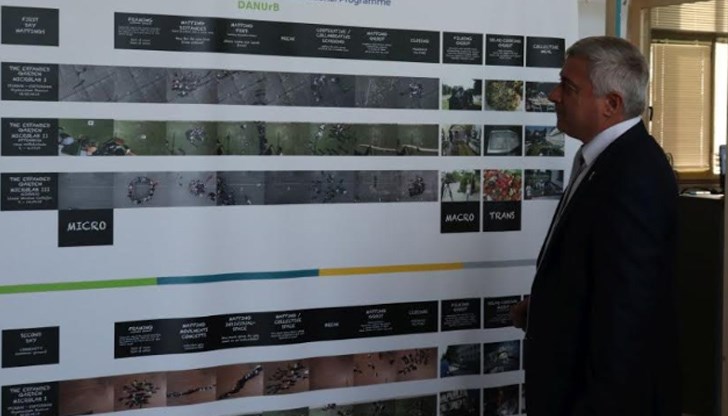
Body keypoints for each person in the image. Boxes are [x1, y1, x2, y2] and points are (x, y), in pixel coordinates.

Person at [510, 36, 680, 415]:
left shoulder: (633, 175)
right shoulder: (606, 160)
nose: (554, 95)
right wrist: (546, 307)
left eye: (568, 87)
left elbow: (628, 315)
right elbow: (601, 274)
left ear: (611, 104)